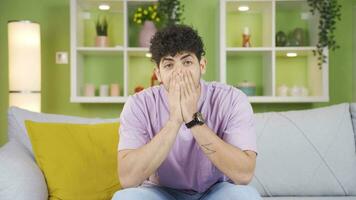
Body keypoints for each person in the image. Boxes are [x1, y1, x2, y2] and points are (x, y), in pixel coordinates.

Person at [112, 24, 261, 200]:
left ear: (202, 65)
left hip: (215, 190)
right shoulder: (138, 104)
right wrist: (174, 121)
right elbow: (128, 179)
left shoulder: (232, 99)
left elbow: (243, 175)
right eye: (168, 65)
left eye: (187, 62)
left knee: (246, 197)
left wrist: (193, 119)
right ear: (158, 74)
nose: (179, 73)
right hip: (159, 191)